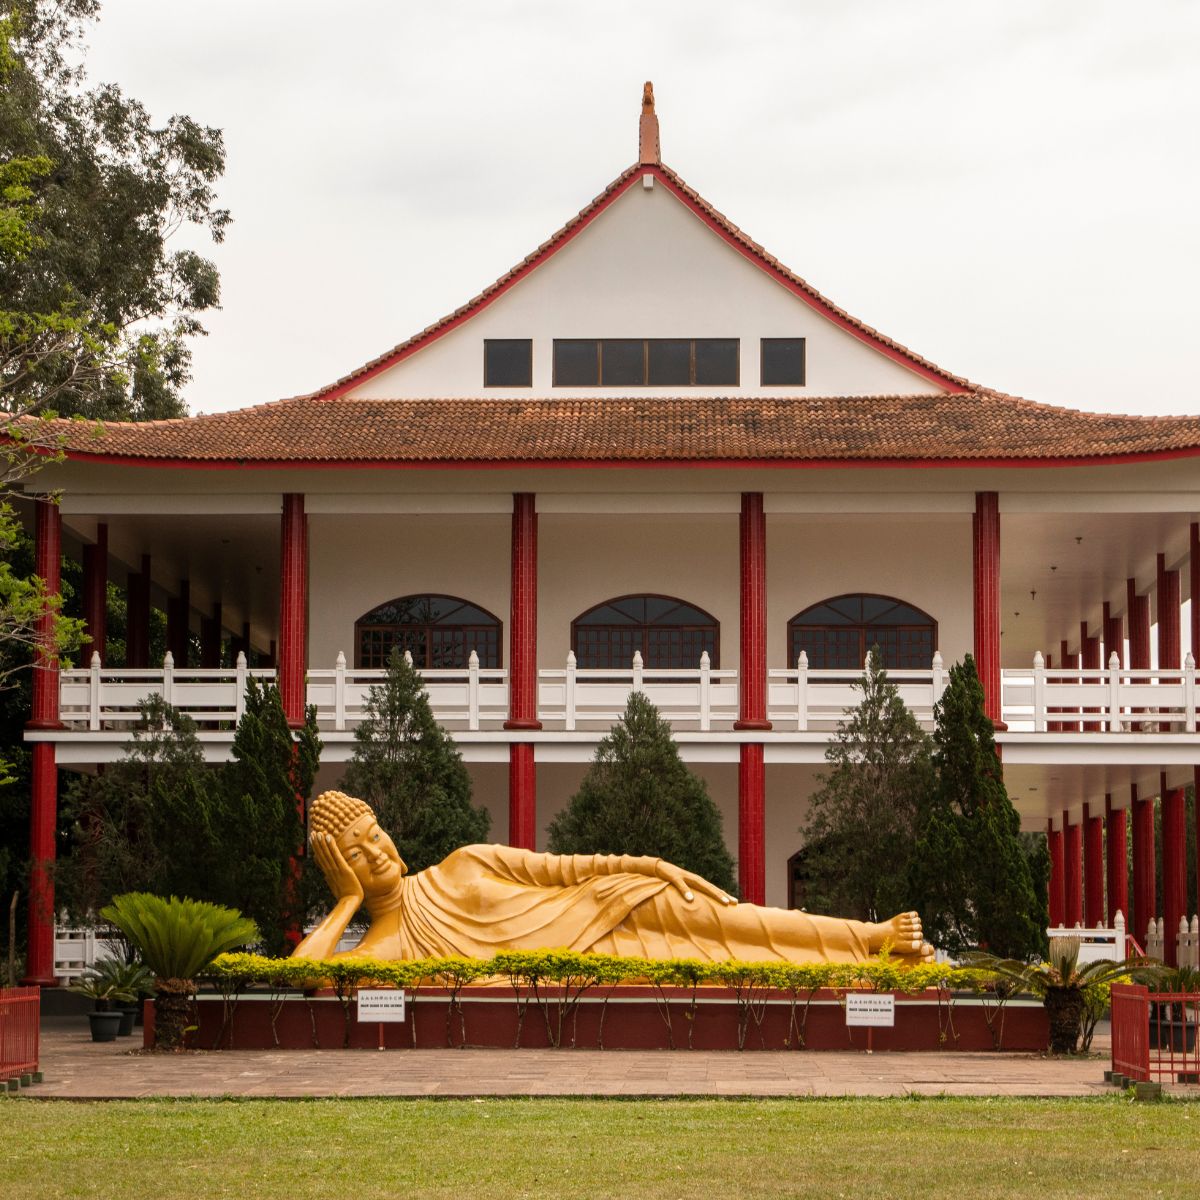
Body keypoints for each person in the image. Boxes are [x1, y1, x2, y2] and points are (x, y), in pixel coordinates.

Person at [294, 790, 933, 965]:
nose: (375, 853)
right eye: (355, 853)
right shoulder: (388, 945)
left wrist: (650, 865)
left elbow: (566, 869)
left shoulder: (462, 863)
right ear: (338, 868)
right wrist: (348, 902)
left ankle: (868, 937)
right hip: (599, 959)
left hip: (613, 902)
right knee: (727, 959)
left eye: (374, 836)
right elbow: (308, 976)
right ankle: (869, 950)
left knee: (732, 920)